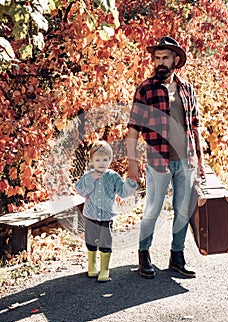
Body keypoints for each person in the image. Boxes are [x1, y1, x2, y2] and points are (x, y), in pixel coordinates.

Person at [127, 36, 205, 279]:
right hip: (158, 160)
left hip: (186, 159)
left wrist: (200, 161)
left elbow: (195, 126)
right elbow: (133, 128)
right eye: (157, 58)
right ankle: (144, 254)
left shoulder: (187, 89)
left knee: (182, 209)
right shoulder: (145, 89)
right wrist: (132, 161)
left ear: (175, 61)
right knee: (153, 209)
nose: (160, 62)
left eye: (165, 58)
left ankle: (177, 256)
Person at [75, 140, 138, 282]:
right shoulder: (88, 175)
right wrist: (90, 180)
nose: (101, 163)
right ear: (92, 161)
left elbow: (122, 193)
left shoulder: (113, 176)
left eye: (105, 160)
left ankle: (104, 269)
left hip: (107, 216)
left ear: (110, 160)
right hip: (91, 214)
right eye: (98, 160)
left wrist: (131, 183)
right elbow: (80, 190)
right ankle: (92, 265)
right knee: (91, 240)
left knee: (105, 242)